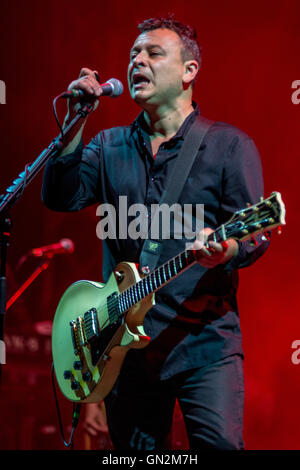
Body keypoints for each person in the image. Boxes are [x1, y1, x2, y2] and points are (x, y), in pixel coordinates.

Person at [42, 15, 270, 450]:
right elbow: (60, 196)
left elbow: (255, 233)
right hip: (125, 349)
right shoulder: (108, 146)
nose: (137, 61)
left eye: (153, 53)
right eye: (133, 54)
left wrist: (227, 249)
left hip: (203, 343)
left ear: (189, 71)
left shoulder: (228, 146)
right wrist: (74, 122)